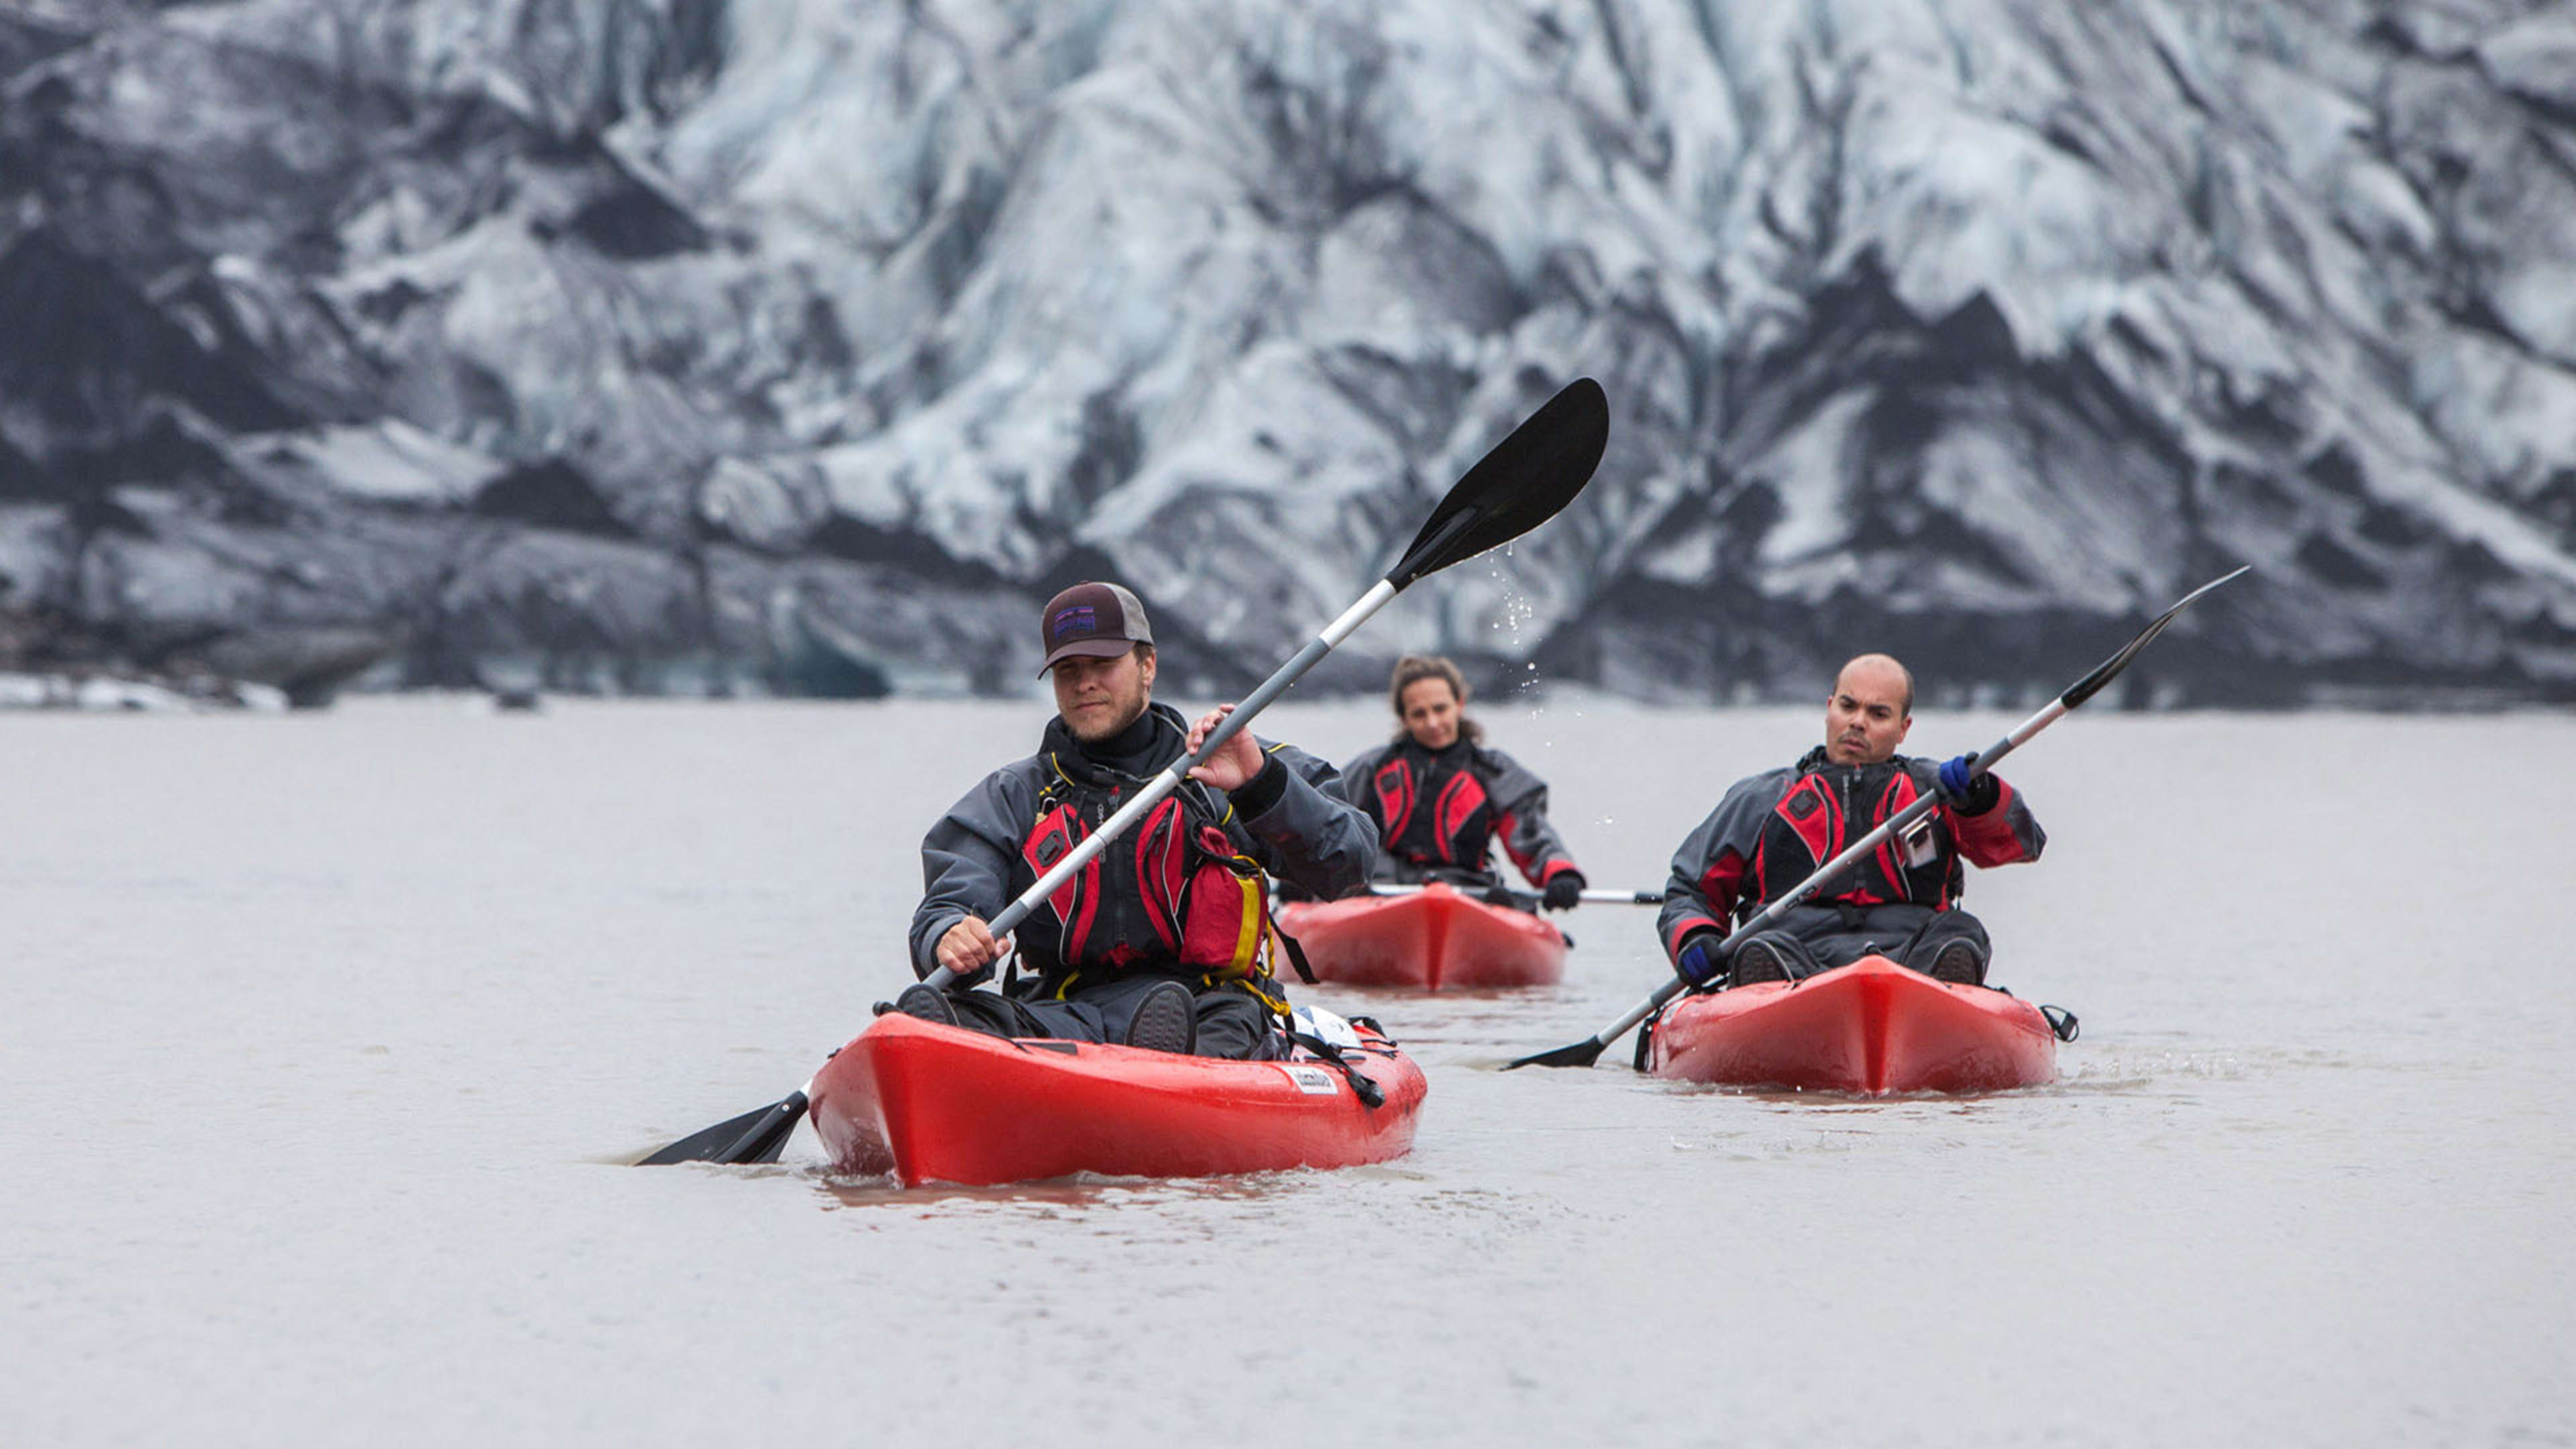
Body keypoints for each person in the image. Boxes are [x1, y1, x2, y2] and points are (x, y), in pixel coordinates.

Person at [898, 582, 1379, 1059]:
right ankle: (956, 1055)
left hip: (1209, 1007)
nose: (1084, 683)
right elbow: (953, 895)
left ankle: (1164, 1065)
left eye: (1103, 665)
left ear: (1148, 666)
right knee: (952, 1012)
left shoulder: (1233, 763)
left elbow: (1349, 862)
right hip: (1064, 1012)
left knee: (1208, 1029)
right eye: (1068, 670)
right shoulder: (1016, 795)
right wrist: (948, 935)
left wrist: (1262, 784)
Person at [1658, 653, 2044, 989]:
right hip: (1793, 955)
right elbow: (1690, 890)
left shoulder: (1937, 790)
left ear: (1903, 728)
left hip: (1912, 959)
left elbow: (2022, 844)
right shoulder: (1762, 798)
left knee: (1961, 933)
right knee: (1761, 945)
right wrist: (1695, 938)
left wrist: (1981, 798)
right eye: (1848, 707)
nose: (1858, 722)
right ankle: (1766, 987)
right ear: (1829, 709)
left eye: (1878, 714)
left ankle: (1941, 994)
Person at [1336, 655, 1588, 911]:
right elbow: (1325, 826)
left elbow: (1531, 834)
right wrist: (1297, 881)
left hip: (1468, 895)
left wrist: (1560, 873)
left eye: (1440, 709)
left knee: (1508, 903)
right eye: (1419, 714)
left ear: (1459, 705)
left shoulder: (1493, 772)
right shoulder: (1371, 769)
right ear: (1404, 719)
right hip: (1381, 894)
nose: (1433, 723)